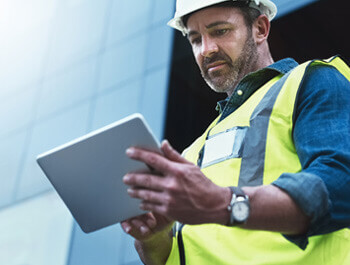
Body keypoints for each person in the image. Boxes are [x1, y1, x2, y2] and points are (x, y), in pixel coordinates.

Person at [121, 0, 350, 264]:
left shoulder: (310, 81)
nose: (206, 50)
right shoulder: (190, 153)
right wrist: (153, 238)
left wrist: (223, 203)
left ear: (261, 28)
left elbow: (341, 182)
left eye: (220, 31)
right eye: (196, 39)